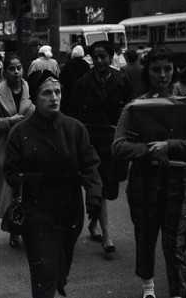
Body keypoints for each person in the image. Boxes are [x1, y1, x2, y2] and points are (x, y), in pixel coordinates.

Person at [4, 69, 102, 298]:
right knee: (44, 273)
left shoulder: (75, 128)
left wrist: (94, 195)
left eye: (57, 92)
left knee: (60, 266)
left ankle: (57, 278)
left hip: (70, 211)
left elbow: (90, 165)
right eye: (47, 93)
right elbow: (10, 172)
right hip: (37, 211)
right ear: (35, 98)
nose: (54, 97)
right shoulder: (20, 132)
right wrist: (34, 179)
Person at [113, 46, 186, 298]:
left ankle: (178, 292)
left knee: (174, 243)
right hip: (144, 181)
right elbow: (118, 146)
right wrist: (147, 150)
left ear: (174, 71)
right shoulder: (135, 106)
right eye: (157, 70)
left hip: (177, 181)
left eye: (168, 69)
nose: (163, 75)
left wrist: (168, 145)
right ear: (148, 72)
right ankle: (148, 287)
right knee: (145, 236)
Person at [72, 40, 133, 254]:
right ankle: (107, 235)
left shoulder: (122, 81)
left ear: (110, 57)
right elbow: (75, 115)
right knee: (99, 186)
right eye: (95, 57)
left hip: (115, 143)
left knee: (111, 186)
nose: (99, 61)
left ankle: (93, 223)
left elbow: (130, 110)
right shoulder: (82, 84)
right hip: (92, 143)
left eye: (103, 57)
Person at [0, 53, 35, 248]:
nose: (16, 72)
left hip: (31, 146)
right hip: (7, 148)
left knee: (29, 189)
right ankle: (14, 229)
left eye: (19, 68)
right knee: (13, 191)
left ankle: (29, 228)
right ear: (4, 71)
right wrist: (9, 121)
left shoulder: (32, 89)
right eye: (12, 68)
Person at [59, 45, 90, 115]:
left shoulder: (68, 65)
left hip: (69, 94)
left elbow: (62, 79)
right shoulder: (86, 65)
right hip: (82, 94)